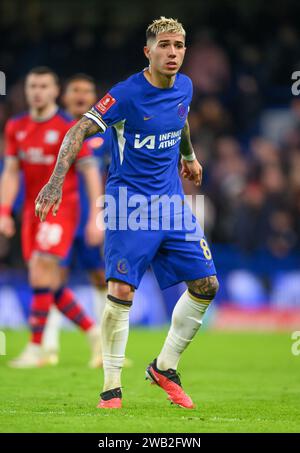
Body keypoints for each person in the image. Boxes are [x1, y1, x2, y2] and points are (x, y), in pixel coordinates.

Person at [35, 18, 219, 409]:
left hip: (171, 205)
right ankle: (111, 389)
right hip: (128, 205)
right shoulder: (126, 94)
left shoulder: (185, 86)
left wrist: (188, 155)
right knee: (120, 291)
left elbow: (181, 117)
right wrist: (54, 181)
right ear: (148, 51)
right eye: (165, 45)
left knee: (207, 286)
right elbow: (78, 131)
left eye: (180, 45)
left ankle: (164, 368)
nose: (173, 53)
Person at [0, 66, 102, 368]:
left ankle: (38, 348)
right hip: (31, 213)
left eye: (44, 86)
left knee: (41, 272)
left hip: (62, 210)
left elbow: (91, 173)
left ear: (56, 91)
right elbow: (11, 173)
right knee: (46, 281)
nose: (38, 92)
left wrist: (96, 215)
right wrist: (4, 211)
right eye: (33, 86)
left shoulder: (69, 127)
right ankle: (93, 332)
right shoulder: (16, 126)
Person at [41, 73, 109, 367]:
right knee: (54, 278)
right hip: (58, 217)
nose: (81, 95)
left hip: (89, 219)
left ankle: (105, 348)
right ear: (64, 96)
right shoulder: (54, 130)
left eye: (87, 91)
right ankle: (48, 346)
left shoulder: (103, 135)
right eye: (75, 90)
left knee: (99, 278)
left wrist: (99, 217)